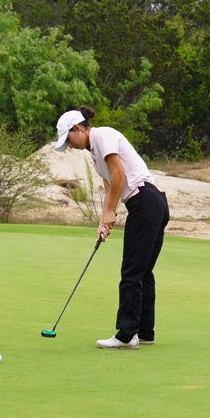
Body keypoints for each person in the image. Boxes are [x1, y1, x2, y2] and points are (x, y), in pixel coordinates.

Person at [54, 106, 170, 350]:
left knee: (131, 272)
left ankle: (127, 335)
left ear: (77, 128)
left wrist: (110, 212)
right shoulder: (95, 153)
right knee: (143, 271)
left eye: (69, 139)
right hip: (151, 203)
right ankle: (144, 331)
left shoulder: (102, 135)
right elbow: (109, 186)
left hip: (145, 201)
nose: (71, 146)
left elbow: (119, 174)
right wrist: (103, 221)